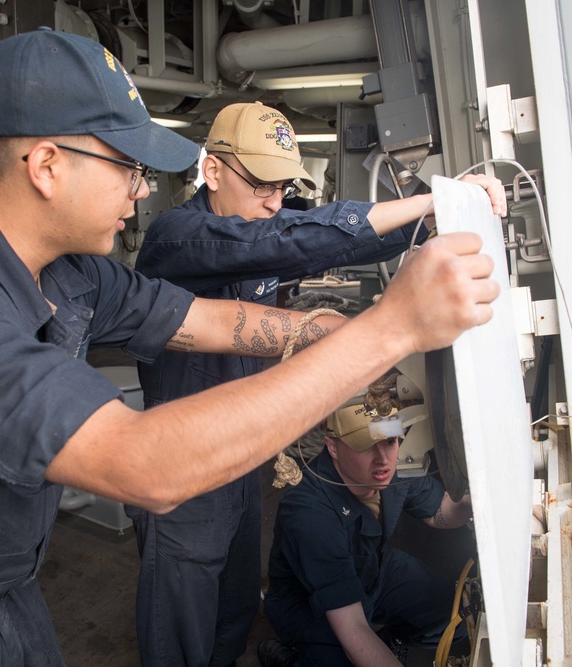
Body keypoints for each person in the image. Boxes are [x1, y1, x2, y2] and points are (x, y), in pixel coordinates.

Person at [0, 30, 500, 666]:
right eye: (127, 166)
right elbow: (144, 465)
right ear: (47, 165)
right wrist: (391, 327)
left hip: (5, 590)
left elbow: (207, 319)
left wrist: (334, 331)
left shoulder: (69, 268)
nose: (142, 188)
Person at [128, 101, 507, 667]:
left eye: (282, 187)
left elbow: (319, 238)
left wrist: (431, 221)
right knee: (179, 628)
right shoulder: (178, 237)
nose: (274, 202)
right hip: (180, 473)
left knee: (232, 608)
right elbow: (281, 240)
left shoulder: (258, 223)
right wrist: (427, 200)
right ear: (212, 172)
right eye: (261, 185)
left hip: (238, 465)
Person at [261, 391, 474, 667]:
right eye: (365, 445)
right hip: (315, 605)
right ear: (332, 446)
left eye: (390, 441)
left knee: (457, 615)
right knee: (350, 653)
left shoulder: (390, 467)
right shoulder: (308, 513)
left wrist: (479, 503)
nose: (383, 459)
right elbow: (351, 626)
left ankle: (386, 639)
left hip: (375, 570)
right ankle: (288, 659)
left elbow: (439, 511)